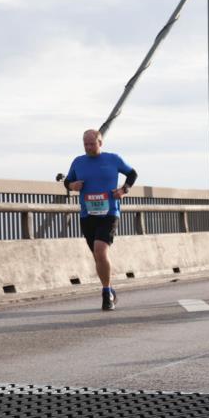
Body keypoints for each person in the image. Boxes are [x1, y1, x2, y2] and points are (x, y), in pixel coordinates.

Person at [64, 129, 137, 311]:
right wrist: (72, 185)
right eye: (85, 144)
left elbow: (132, 173)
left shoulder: (113, 159)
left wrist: (123, 190)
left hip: (110, 213)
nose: (88, 147)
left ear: (100, 143)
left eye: (92, 144)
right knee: (97, 256)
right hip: (87, 215)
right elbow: (67, 181)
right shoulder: (78, 162)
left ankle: (106, 293)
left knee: (100, 250)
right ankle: (110, 288)